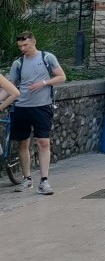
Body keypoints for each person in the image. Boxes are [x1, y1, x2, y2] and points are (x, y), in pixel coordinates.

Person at [7, 32, 65, 194]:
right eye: (20, 46)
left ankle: (44, 181)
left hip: (42, 106)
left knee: (43, 142)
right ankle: (27, 179)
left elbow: (61, 77)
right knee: (23, 143)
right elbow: (9, 86)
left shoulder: (47, 58)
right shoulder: (18, 63)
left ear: (34, 42)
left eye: (25, 45)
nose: (23, 48)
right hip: (21, 107)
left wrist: (44, 83)